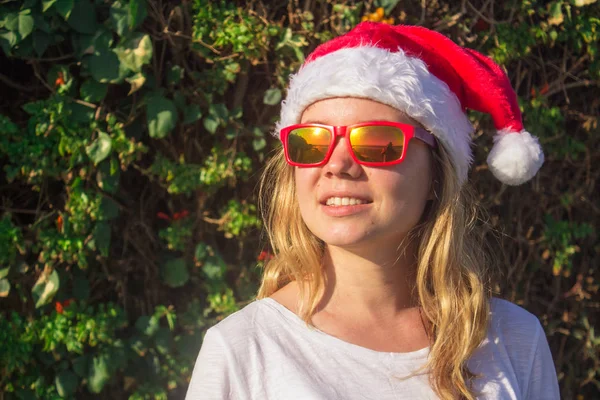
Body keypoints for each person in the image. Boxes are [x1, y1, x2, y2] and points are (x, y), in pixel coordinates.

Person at [185, 22, 559, 400]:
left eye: (378, 142)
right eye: (312, 142)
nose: (337, 164)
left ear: (436, 176)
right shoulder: (242, 351)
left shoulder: (513, 340)